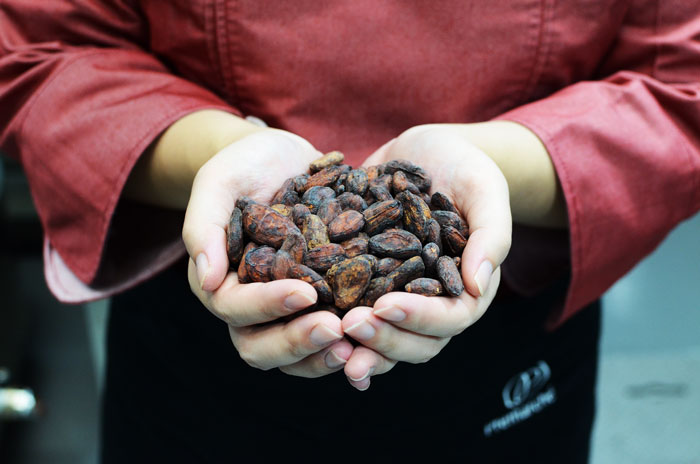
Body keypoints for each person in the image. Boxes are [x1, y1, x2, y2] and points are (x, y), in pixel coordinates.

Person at [1, 1, 699, 462]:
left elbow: (683, 76)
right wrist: (214, 151)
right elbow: (44, 44)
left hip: (506, 323)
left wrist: (498, 164)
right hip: (204, 313)